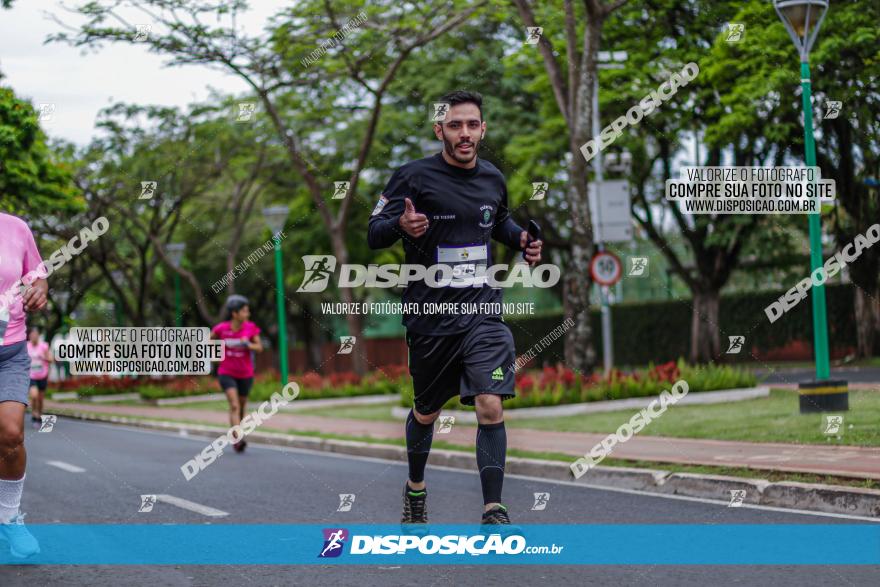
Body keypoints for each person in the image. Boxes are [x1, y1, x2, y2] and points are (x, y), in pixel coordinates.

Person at [367, 91, 543, 526]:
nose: (464, 133)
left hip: (483, 313)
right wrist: (399, 224)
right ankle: (415, 489)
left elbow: (496, 220)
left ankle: (493, 509)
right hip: (430, 319)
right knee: (426, 412)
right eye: (455, 125)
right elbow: (374, 232)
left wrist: (521, 238)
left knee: (490, 403)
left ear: (483, 129)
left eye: (472, 125)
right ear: (439, 130)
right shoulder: (411, 177)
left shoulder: (493, 178)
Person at [0, 212, 48, 557]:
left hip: (10, 351)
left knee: (12, 434)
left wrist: (39, 289)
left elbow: (37, 275)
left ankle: (10, 518)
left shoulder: (15, 227)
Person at [210, 295, 263, 453]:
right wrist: (216, 354)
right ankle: (237, 439)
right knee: (234, 405)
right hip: (226, 372)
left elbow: (259, 347)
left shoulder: (250, 328)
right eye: (245, 311)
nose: (248, 314)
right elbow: (209, 340)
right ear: (235, 313)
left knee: (241, 406)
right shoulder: (222, 328)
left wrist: (248, 344)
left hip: (245, 373)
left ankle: (237, 433)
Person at [27, 327, 53, 426]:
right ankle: (34, 413)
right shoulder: (26, 346)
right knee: (34, 395)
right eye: (32, 335)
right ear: (29, 336)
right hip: (31, 375)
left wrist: (44, 357)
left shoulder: (44, 346)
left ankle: (40, 414)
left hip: (42, 375)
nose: (34, 336)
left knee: (41, 399)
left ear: (38, 336)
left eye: (35, 335)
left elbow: (51, 359)